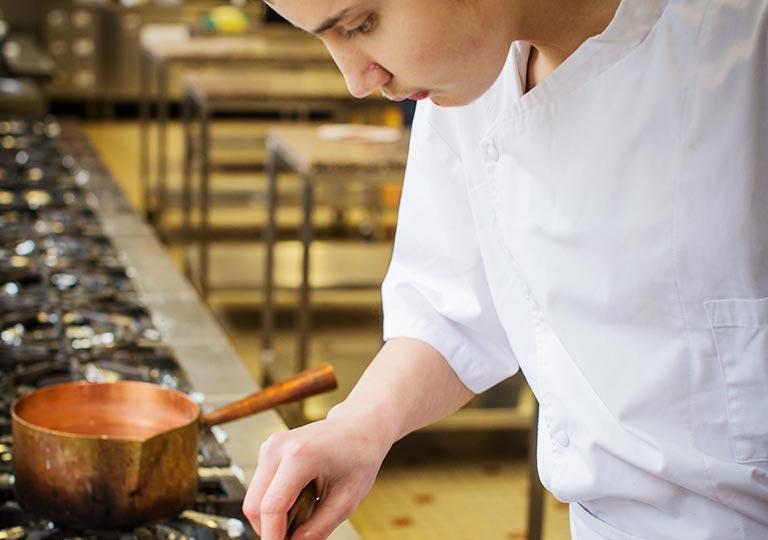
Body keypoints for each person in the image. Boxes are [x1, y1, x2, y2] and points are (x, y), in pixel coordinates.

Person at [243, 1, 768, 539]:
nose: (357, 81)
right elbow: (450, 306)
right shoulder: (469, 77)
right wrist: (358, 426)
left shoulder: (746, 45)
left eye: (362, 25)